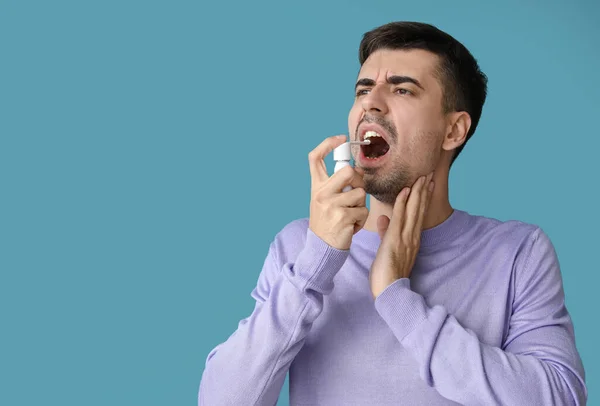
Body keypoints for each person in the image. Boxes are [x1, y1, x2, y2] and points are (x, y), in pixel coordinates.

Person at [198, 21, 587, 405]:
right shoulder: (298, 248)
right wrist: (316, 263)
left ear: (454, 131)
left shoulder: (517, 252)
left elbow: (561, 398)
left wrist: (395, 297)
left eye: (402, 89)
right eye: (363, 89)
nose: (371, 102)